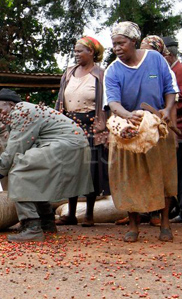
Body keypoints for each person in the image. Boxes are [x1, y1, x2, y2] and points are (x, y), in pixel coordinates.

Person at [0, 89, 93, 242]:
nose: (0, 116)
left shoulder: (21, 112)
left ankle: (31, 226)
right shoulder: (26, 110)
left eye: (1, 111)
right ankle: (46, 222)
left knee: (19, 172)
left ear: (11, 105)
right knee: (34, 175)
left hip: (66, 147)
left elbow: (15, 148)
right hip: (71, 145)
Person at [104, 21, 178, 242]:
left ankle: (165, 224)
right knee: (129, 177)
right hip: (128, 128)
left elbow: (170, 89)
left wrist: (167, 109)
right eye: (114, 44)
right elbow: (113, 103)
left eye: (121, 43)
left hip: (157, 126)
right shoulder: (113, 70)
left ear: (133, 41)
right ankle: (134, 226)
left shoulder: (155, 59)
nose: (117, 48)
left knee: (164, 175)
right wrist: (127, 115)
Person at [55, 36, 110, 227]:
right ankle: (70, 213)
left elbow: (106, 104)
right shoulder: (69, 73)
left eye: (80, 51)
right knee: (71, 168)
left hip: (91, 125)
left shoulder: (101, 75)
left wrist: (105, 128)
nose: (76, 54)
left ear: (92, 52)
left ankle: (89, 214)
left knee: (90, 168)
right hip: (69, 125)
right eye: (75, 51)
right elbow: (61, 99)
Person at [163, 36, 182, 226]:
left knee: (180, 175)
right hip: (168, 131)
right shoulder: (167, 72)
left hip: (181, 132)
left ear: (169, 55)